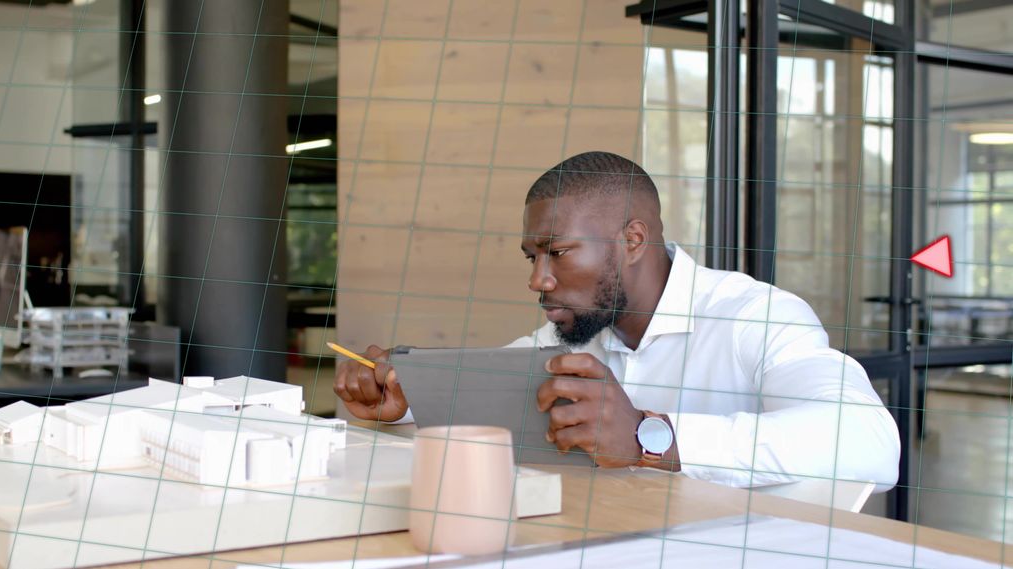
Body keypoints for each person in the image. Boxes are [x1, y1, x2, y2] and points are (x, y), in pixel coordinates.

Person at [334, 151, 899, 490]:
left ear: (633, 240)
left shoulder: (757, 316)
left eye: (557, 252)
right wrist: (408, 404)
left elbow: (872, 443)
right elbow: (487, 401)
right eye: (533, 257)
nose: (538, 280)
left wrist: (648, 436)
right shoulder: (573, 333)